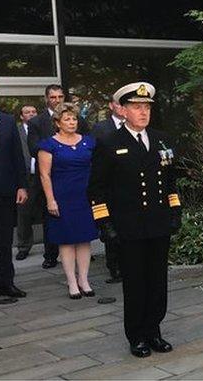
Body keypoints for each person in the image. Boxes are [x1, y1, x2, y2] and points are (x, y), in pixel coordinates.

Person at [88, 82, 181, 357]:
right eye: (137, 107)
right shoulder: (109, 143)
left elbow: (171, 183)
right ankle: (137, 335)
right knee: (135, 283)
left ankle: (154, 330)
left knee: (157, 281)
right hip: (128, 227)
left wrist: (175, 211)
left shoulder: (163, 139)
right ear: (123, 110)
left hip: (158, 223)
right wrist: (104, 223)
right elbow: (96, 188)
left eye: (147, 107)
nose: (143, 112)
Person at [38, 103, 99, 299]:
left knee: (84, 238)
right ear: (57, 122)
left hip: (85, 196)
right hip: (62, 198)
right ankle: (71, 282)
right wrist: (50, 200)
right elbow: (44, 175)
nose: (72, 122)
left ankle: (84, 279)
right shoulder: (48, 145)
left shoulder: (88, 142)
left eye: (74, 119)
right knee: (66, 241)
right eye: (67, 119)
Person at [27, 85, 90, 269]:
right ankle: (51, 255)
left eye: (60, 96)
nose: (57, 100)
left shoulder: (78, 119)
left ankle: (80, 250)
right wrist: (56, 146)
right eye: (53, 97)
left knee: (78, 217)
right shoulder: (37, 122)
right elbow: (33, 148)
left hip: (76, 178)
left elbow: (87, 142)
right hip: (51, 177)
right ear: (46, 98)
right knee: (51, 219)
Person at [0, 83, 29, 299]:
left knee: (4, 242)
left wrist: (22, 185)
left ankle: (7, 284)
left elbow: (17, 156)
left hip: (5, 192)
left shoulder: (6, 121)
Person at [90, 96, 127, 284]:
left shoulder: (134, 126)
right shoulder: (100, 128)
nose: (121, 108)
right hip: (109, 188)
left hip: (129, 188)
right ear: (112, 106)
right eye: (118, 104)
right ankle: (115, 268)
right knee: (111, 230)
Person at [14, 104, 38, 260]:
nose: (31, 114)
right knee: (24, 214)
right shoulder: (16, 131)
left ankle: (54, 248)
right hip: (25, 177)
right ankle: (23, 246)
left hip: (44, 176)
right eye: (27, 112)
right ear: (21, 116)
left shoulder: (44, 128)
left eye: (34, 112)